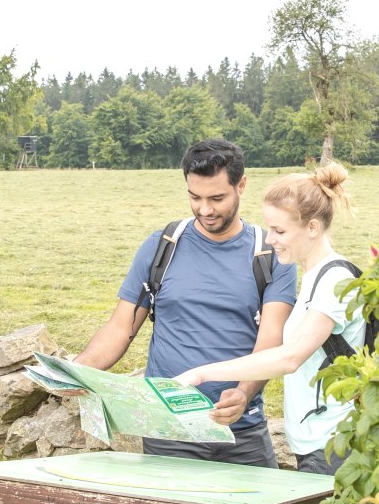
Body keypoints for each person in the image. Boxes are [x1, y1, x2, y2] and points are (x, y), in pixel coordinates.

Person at [69, 139, 297, 467]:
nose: (205, 210)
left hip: (242, 432)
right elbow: (120, 328)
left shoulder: (271, 253)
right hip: (169, 430)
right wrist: (78, 371)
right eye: (195, 197)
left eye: (217, 198)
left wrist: (244, 393)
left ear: (241, 185)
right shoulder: (161, 246)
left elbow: (271, 339)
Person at [175, 162, 361, 475]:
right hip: (320, 447)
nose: (270, 239)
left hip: (335, 450)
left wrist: (202, 374)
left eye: (280, 230)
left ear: (312, 228)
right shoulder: (315, 278)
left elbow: (290, 358)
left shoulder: (335, 280)